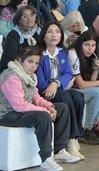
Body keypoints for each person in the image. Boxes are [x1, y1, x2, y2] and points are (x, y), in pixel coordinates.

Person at [0, 46, 80, 171]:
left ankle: (59, 150)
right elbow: (19, 105)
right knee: (43, 116)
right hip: (5, 114)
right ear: (20, 60)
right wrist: (45, 111)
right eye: (30, 62)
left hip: (18, 112)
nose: (33, 66)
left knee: (62, 108)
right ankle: (46, 159)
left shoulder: (29, 75)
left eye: (36, 63)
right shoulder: (12, 76)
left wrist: (49, 106)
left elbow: (35, 97)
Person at [36, 22, 85, 161]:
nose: (54, 35)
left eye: (57, 32)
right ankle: (68, 141)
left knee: (78, 97)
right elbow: (40, 83)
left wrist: (56, 83)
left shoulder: (62, 52)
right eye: (50, 32)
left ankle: (74, 137)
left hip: (57, 88)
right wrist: (53, 85)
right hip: (43, 92)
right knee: (65, 98)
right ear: (43, 35)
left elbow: (68, 73)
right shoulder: (39, 54)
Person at [66, 32, 99, 144]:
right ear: (80, 44)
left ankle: (94, 125)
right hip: (68, 89)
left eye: (93, 45)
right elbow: (81, 84)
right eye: (86, 45)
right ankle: (86, 129)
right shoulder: (73, 54)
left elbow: (91, 82)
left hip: (77, 88)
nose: (90, 49)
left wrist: (96, 70)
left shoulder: (91, 56)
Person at [0, 6, 41, 84]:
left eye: (32, 15)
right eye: (25, 16)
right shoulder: (13, 35)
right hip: (11, 75)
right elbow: (11, 59)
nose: (29, 19)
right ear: (19, 20)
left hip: (31, 72)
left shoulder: (38, 32)